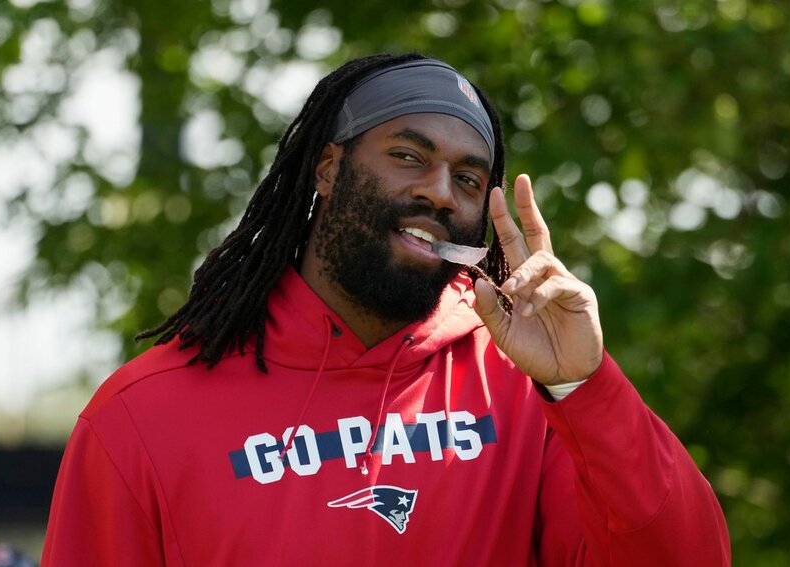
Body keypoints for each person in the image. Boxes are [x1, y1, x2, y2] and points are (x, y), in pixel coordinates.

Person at [41, 53, 730, 565]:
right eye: (409, 155)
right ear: (329, 168)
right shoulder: (143, 413)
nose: (440, 193)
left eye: (468, 178)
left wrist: (585, 385)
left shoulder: (529, 389)